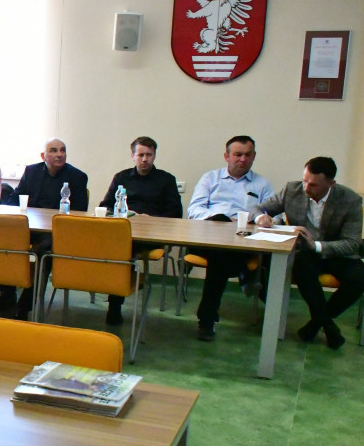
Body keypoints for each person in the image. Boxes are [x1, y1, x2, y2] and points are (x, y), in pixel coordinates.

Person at [251, 157, 364, 350]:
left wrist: (318, 246)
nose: (306, 188)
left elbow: (352, 243)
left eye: (313, 184)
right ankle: (327, 326)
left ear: (331, 184)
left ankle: (315, 324)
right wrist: (261, 216)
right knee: (302, 266)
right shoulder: (291, 190)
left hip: (336, 253)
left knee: (360, 277)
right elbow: (258, 207)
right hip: (306, 255)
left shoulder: (351, 200)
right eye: (305, 181)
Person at [187, 135, 274, 340]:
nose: (242, 159)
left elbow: (274, 215)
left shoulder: (262, 184)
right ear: (227, 156)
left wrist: (261, 219)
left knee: (221, 257)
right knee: (221, 254)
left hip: (243, 241)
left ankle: (206, 320)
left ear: (254, 157)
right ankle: (245, 273)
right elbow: (194, 210)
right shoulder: (210, 178)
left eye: (248, 155)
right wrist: (221, 220)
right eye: (237, 154)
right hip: (208, 238)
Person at [98, 136, 182, 324]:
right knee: (118, 249)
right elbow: (105, 206)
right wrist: (127, 214)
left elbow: (176, 212)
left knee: (121, 251)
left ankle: (116, 301)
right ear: (133, 156)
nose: (145, 159)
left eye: (149, 155)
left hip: (153, 233)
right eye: (141, 155)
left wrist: (151, 219)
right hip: (125, 230)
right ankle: (115, 302)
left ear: (154, 156)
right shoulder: (122, 177)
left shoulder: (166, 179)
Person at [7, 138, 89, 319]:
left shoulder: (77, 177)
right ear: (43, 155)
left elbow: (80, 212)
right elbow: (15, 196)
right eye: (54, 150)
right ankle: (6, 295)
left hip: (58, 232)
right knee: (6, 241)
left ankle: (25, 304)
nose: (60, 154)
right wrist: (8, 213)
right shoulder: (32, 171)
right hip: (30, 227)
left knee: (42, 250)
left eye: (62, 150)